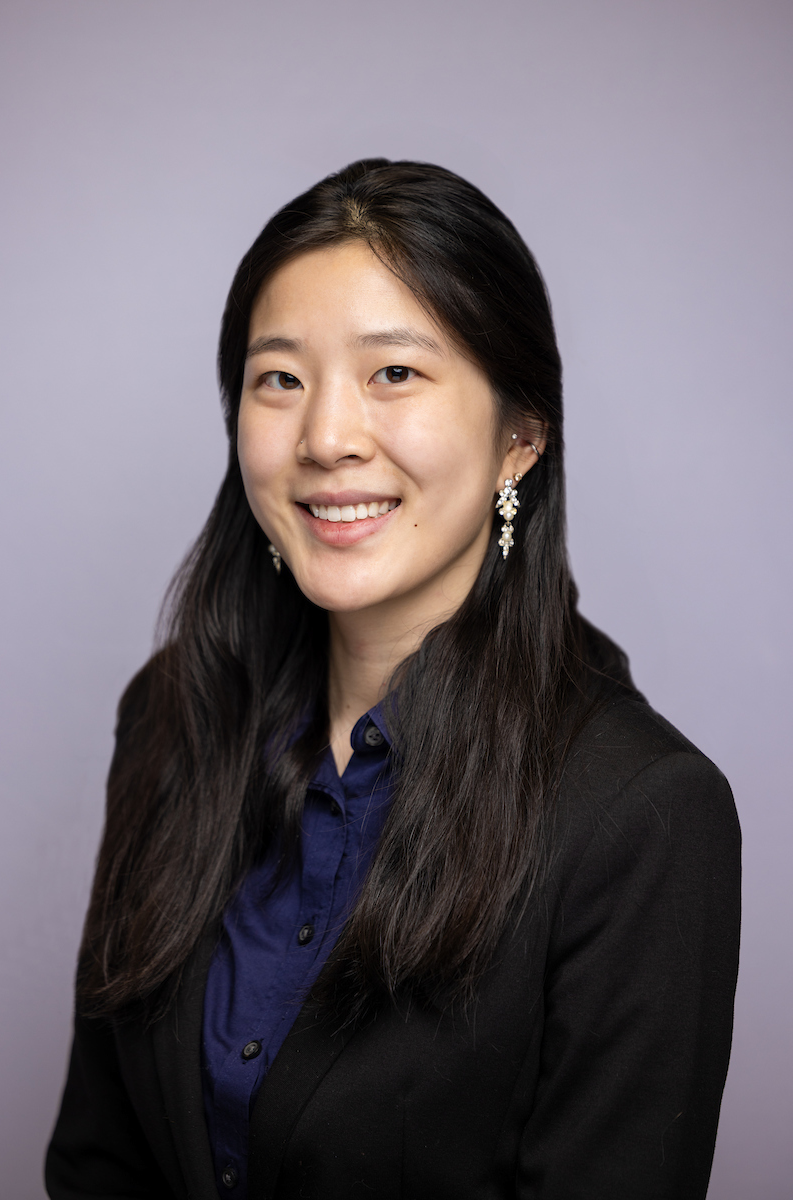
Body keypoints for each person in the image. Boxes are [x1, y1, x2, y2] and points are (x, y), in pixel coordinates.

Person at [45, 159, 740, 1200]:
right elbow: (100, 1160)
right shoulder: (173, 713)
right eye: (279, 377)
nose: (325, 437)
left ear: (519, 438)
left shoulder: (641, 817)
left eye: (394, 375)